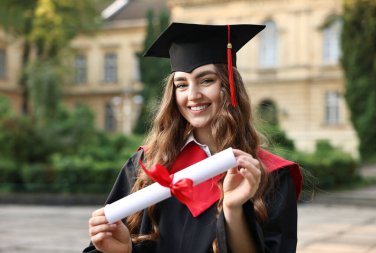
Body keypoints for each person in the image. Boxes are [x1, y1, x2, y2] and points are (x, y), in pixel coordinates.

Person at [83, 22, 302, 253]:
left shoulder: (270, 175)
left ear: (229, 87)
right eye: (181, 85)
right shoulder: (146, 165)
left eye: (207, 80)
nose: (193, 95)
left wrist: (233, 209)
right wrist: (122, 250)